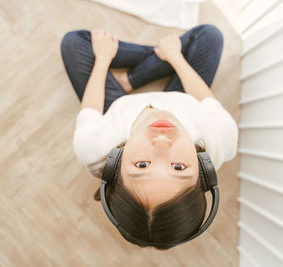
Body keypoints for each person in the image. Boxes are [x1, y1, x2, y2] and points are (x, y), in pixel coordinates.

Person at [60, 24, 238, 249]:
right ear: (203, 169)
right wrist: (175, 57)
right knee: (209, 36)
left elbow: (91, 109)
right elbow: (205, 98)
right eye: (179, 168)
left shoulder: (93, 150)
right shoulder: (222, 137)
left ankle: (131, 79)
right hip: (180, 96)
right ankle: (146, 69)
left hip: (116, 104)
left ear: (115, 165)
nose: (162, 142)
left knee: (75, 42)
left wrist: (103, 59)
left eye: (142, 165)